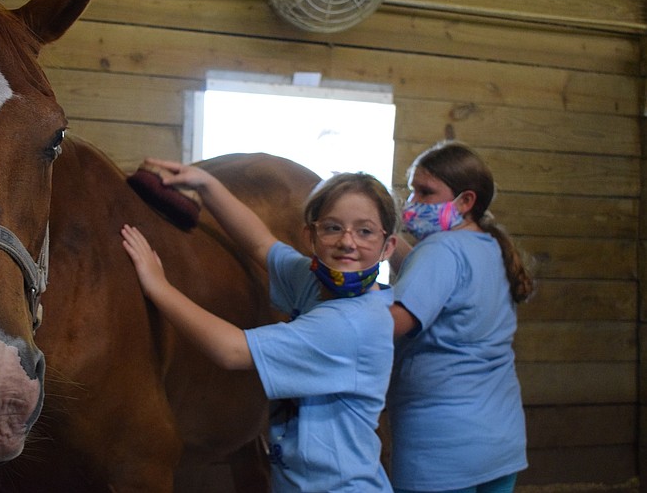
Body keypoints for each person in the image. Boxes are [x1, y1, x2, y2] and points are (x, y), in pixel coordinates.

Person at [120, 158, 398, 492]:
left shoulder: (351, 323)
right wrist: (206, 184)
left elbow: (232, 349)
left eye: (364, 231)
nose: (347, 242)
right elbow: (260, 244)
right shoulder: (317, 284)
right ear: (310, 235)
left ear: (388, 247)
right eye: (333, 227)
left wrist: (158, 286)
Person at [387, 140, 534, 493]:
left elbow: (395, 323)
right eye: (411, 192)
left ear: (465, 201)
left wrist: (339, 307)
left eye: (425, 193)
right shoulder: (490, 245)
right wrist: (384, 241)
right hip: (500, 440)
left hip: (442, 449)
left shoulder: (439, 250)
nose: (412, 204)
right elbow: (435, 279)